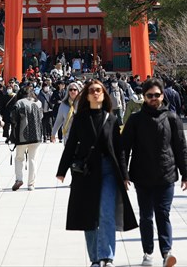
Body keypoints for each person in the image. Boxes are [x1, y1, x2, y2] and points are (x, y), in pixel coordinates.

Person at [57, 78, 138, 267]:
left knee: (107, 213)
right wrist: (62, 170)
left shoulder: (112, 119)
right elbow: (70, 146)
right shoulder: (80, 118)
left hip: (109, 169)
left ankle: (107, 256)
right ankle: (94, 258)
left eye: (99, 90)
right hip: (87, 170)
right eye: (92, 90)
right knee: (89, 214)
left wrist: (124, 175)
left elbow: (119, 150)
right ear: (87, 95)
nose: (95, 93)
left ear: (104, 95)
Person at [121, 78, 187, 267]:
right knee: (145, 216)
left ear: (163, 95)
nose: (154, 99)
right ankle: (147, 252)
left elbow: (180, 147)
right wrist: (124, 174)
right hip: (142, 174)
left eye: (157, 95)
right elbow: (124, 149)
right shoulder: (135, 120)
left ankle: (167, 252)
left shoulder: (172, 118)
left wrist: (186, 174)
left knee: (163, 214)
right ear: (144, 97)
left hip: (166, 173)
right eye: (150, 95)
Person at [9, 85, 45, 190]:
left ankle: (19, 179)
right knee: (33, 159)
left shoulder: (19, 103)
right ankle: (31, 184)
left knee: (19, 158)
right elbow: (41, 117)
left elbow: (13, 118)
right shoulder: (38, 103)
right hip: (37, 135)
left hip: (22, 135)